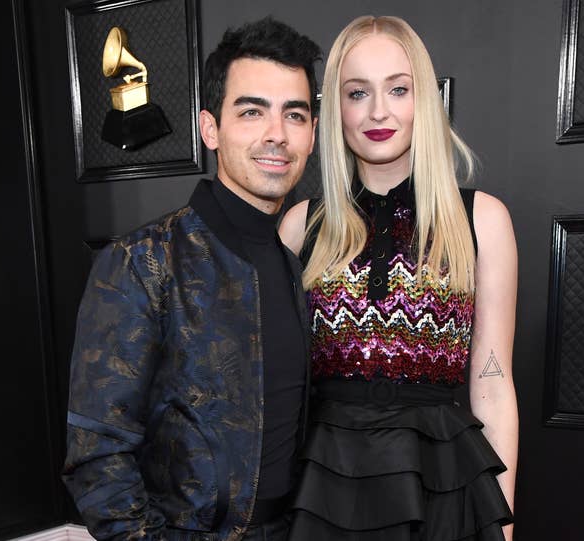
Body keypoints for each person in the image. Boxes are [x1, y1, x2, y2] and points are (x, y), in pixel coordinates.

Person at [62, 17, 321, 541]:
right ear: (210, 128)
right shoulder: (142, 261)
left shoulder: (292, 265)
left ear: (312, 134)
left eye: (295, 114)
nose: (276, 133)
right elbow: (97, 455)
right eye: (252, 111)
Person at [279, 15, 518, 541]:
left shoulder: (482, 220)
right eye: (357, 92)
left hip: (442, 485)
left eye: (398, 89)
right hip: (323, 484)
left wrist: (503, 520)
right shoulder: (301, 225)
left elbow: (493, 382)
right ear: (333, 108)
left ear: (424, 101)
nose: (378, 111)